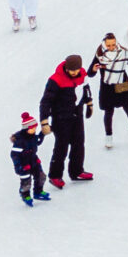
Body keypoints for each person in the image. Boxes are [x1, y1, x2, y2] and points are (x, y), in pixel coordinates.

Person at [38, 54, 94, 187]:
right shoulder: (56, 80)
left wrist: (89, 103)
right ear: (67, 68)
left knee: (79, 144)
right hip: (61, 118)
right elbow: (46, 102)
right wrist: (44, 121)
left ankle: (77, 171)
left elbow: (85, 89)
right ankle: (55, 175)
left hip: (77, 115)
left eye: (76, 70)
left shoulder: (82, 75)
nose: (74, 73)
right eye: (71, 70)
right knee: (61, 147)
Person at [90, 32, 128, 147]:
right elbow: (90, 73)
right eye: (109, 45)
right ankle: (108, 136)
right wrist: (94, 69)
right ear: (104, 44)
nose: (111, 47)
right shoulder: (99, 54)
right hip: (107, 87)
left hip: (121, 83)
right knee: (109, 112)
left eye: (113, 44)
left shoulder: (122, 52)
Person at [11, 114, 50, 206]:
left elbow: (38, 141)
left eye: (35, 128)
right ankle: (25, 195)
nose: (34, 130)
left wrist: (42, 133)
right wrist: (19, 166)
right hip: (24, 165)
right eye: (32, 128)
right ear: (26, 128)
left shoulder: (32, 136)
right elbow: (14, 155)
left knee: (41, 176)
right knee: (26, 182)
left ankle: (38, 191)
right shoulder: (20, 141)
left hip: (34, 161)